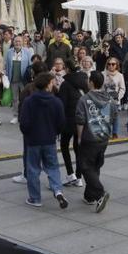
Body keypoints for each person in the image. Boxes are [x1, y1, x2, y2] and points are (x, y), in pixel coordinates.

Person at [18, 72, 68, 209]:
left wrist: (27, 134)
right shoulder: (56, 102)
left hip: (33, 140)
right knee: (52, 167)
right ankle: (57, 190)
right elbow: (61, 122)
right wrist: (54, 132)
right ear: (48, 84)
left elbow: (24, 122)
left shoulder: (29, 101)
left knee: (33, 169)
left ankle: (35, 198)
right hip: (49, 139)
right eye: (52, 82)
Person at [75, 70, 117, 212]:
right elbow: (113, 116)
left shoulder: (84, 99)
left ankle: (100, 193)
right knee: (95, 165)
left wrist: (80, 137)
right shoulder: (109, 99)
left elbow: (80, 120)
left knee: (86, 166)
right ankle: (89, 196)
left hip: (89, 138)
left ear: (91, 82)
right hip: (103, 137)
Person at [57, 58, 89, 186]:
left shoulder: (65, 84)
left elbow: (61, 104)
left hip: (69, 120)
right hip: (82, 120)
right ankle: (79, 177)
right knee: (78, 148)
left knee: (64, 145)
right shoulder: (84, 81)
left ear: (67, 69)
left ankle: (71, 175)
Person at [5, 36, 33, 124]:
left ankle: (26, 115)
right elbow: (7, 65)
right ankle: (15, 116)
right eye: (16, 41)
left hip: (24, 79)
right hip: (13, 79)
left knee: (26, 98)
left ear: (23, 42)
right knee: (15, 99)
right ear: (13, 42)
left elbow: (30, 65)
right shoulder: (9, 52)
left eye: (19, 41)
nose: (18, 43)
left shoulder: (27, 52)